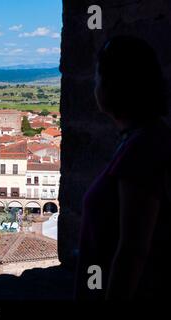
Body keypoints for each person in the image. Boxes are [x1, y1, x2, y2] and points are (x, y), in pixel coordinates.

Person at [74, 36, 171, 300]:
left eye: (98, 77)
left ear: (116, 85)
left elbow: (132, 250)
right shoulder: (142, 138)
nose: (94, 85)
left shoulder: (143, 148)